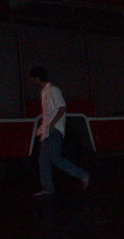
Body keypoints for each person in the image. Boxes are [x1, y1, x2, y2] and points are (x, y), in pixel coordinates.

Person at [30, 67, 90, 196]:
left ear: (38, 78)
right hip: (47, 131)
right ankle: (48, 189)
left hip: (54, 130)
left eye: (32, 78)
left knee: (55, 158)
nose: (31, 81)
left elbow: (62, 107)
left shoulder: (53, 90)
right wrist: (41, 129)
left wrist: (53, 123)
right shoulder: (44, 92)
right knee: (43, 161)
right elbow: (47, 114)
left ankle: (82, 174)